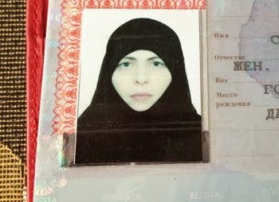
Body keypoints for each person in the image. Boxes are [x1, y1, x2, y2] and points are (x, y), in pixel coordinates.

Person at [75, 18, 203, 164]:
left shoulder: (202, 137)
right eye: (126, 64)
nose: (141, 79)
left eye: (156, 64)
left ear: (175, 71)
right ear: (108, 71)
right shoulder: (82, 136)